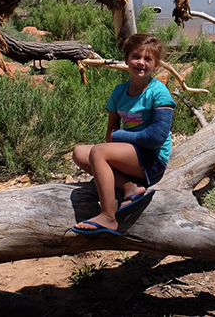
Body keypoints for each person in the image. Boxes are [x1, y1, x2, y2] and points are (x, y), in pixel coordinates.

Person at [72, 33, 175, 235]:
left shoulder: (158, 92)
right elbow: (110, 131)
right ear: (126, 59)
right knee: (79, 153)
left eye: (148, 59)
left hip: (152, 158)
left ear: (156, 65)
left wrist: (119, 137)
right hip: (130, 155)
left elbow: (156, 138)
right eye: (136, 57)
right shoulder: (119, 92)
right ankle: (130, 187)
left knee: (98, 153)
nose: (141, 63)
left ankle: (108, 216)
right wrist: (115, 138)